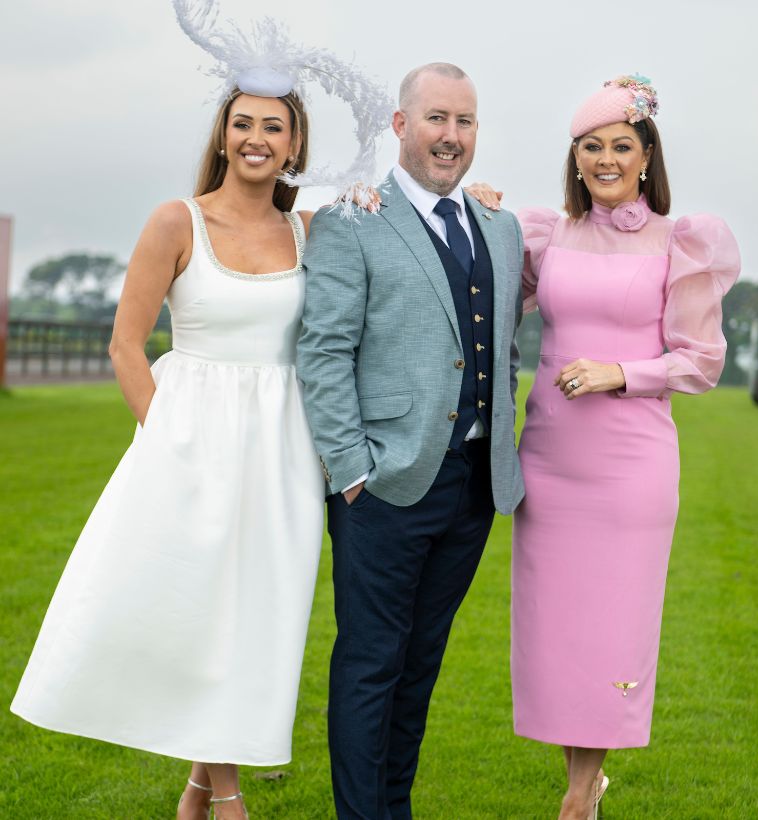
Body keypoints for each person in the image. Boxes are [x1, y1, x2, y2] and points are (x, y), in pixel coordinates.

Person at [11, 84, 325, 819]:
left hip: (283, 452)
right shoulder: (176, 221)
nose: (256, 137)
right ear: (221, 137)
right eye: (242, 123)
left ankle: (194, 790)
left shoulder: (311, 229)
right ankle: (229, 798)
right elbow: (124, 345)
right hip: (189, 445)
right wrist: (172, 442)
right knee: (197, 614)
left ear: (294, 145)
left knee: (254, 618)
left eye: (272, 127)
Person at [469, 74, 740, 819]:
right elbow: (482, 293)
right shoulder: (547, 235)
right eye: (592, 146)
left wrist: (622, 373)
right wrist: (480, 221)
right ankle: (581, 779)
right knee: (559, 630)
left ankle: (581, 793)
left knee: (615, 623)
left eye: (622, 144)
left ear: (647, 155)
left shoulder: (681, 242)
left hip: (631, 466)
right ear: (576, 158)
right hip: (552, 461)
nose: (607, 158)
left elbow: (701, 360)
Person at [296, 62, 525, 819]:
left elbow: (507, 348)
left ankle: (395, 806)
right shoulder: (350, 221)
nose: (450, 136)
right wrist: (351, 469)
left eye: (463, 121)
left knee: (421, 664)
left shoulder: (499, 225)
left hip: (471, 486)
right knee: (371, 663)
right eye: (435, 119)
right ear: (401, 125)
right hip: (384, 485)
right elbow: (323, 352)